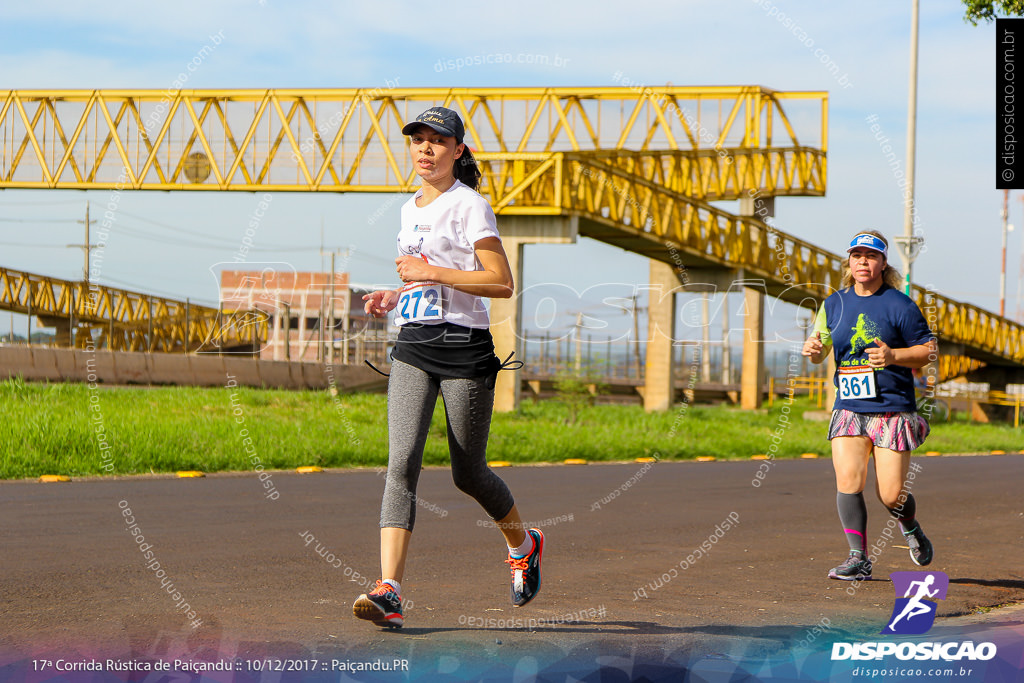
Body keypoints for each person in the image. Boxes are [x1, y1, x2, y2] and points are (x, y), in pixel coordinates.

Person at [352, 107, 543, 628]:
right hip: (414, 344)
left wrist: (428, 270)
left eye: (438, 140)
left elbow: (500, 282)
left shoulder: (471, 206)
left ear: (458, 151)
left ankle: (524, 545)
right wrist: (397, 294)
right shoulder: (407, 209)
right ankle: (389, 588)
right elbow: (424, 280)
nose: (425, 149)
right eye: (418, 140)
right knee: (402, 460)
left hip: (465, 350)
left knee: (468, 473)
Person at [802, 230, 936, 581]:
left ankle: (911, 527)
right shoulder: (833, 303)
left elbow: (928, 351)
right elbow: (821, 346)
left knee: (891, 495)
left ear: (882, 263)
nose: (863, 261)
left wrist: (893, 355)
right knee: (848, 480)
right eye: (857, 255)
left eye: (871, 255)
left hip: (892, 407)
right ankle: (857, 558)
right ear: (849, 261)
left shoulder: (899, 304)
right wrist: (815, 352)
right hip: (849, 405)